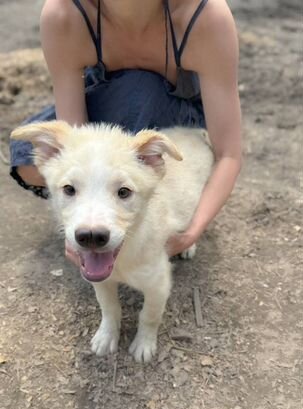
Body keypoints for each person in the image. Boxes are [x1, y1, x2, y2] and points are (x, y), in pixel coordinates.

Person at [10, 0, 242, 261]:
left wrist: (191, 231)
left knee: (139, 92)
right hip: (111, 106)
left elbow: (229, 154)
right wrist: (77, 218)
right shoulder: (65, 13)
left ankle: (141, 200)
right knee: (26, 159)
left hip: (177, 123)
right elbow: (76, 145)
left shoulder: (204, 15)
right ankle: (112, 203)